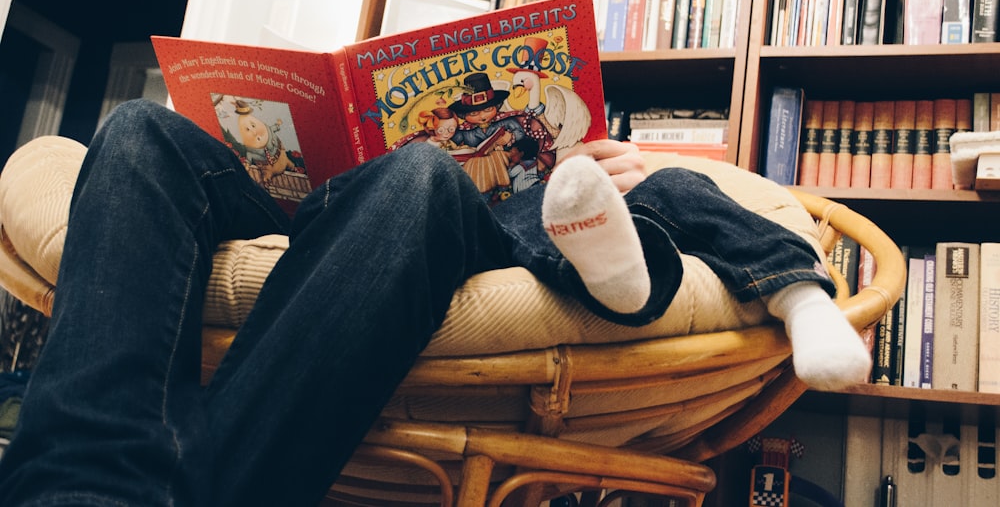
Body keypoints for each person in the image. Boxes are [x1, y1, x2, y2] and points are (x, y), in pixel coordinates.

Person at [0, 99, 870, 507]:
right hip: (325, 206)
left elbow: (702, 197)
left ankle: (84, 497)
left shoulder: (609, 157)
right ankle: (86, 488)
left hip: (476, 220)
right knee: (134, 129)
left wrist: (619, 169)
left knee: (431, 177)